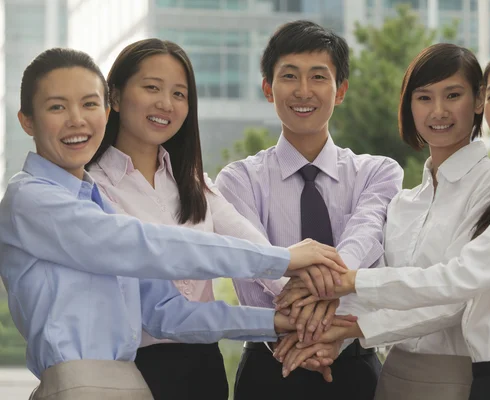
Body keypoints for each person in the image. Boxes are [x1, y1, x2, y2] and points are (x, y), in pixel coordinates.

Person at [0, 47, 347, 400]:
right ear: (27, 120)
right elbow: (147, 245)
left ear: (105, 111)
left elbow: (165, 311)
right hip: (87, 382)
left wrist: (282, 323)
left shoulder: (99, 201)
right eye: (57, 106)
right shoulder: (30, 200)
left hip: (135, 381)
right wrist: (284, 259)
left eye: (88, 104)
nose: (76, 119)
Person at [280, 38, 490, 400]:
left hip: (472, 376)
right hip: (403, 371)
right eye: (424, 97)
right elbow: (390, 291)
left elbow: (460, 285)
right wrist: (327, 333)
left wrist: (349, 293)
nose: (438, 111)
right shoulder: (405, 201)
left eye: (453, 95)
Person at [86, 38, 295, 400]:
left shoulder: (194, 183)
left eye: (180, 94)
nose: (166, 104)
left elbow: (256, 252)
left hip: (203, 367)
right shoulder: (91, 187)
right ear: (115, 98)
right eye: (152, 87)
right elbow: (155, 303)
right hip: (128, 369)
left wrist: (309, 315)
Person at [216, 20, 403, 400]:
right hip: (269, 370)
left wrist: (332, 331)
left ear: (341, 91)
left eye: (318, 76)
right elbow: (254, 265)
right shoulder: (238, 180)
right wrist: (310, 325)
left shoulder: (378, 173)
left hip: (356, 368)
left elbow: (364, 240)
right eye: (289, 76)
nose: (303, 91)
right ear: (268, 88)